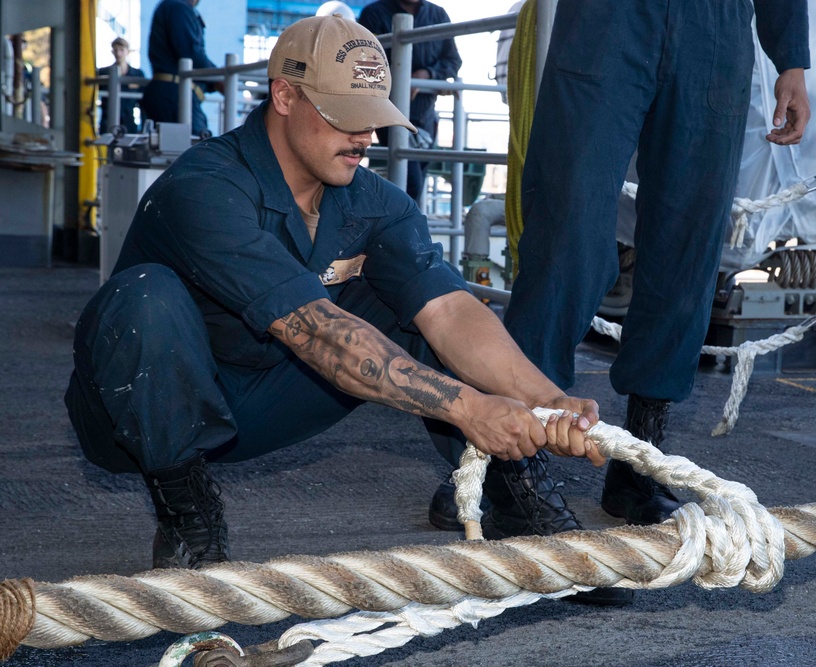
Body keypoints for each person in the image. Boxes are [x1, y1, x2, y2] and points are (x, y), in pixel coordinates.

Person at [64, 17, 606, 597]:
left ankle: (514, 500)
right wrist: (471, 408)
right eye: (345, 116)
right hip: (148, 417)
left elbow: (449, 309)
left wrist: (546, 403)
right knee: (146, 297)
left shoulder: (372, 202)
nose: (365, 137)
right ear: (285, 95)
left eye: (373, 118)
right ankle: (186, 517)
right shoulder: (203, 187)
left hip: (273, 395)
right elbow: (314, 332)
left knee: (413, 296)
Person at [501, 0, 812, 568]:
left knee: (687, 247)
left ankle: (639, 461)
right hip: (609, 20)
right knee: (564, 235)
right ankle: (510, 458)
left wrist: (790, 58)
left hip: (714, 30)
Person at [358, 0, 462, 203]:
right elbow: (362, 63)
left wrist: (427, 74)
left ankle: (397, 230)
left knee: (416, 180)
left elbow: (453, 60)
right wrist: (403, 79)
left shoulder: (438, 14)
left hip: (426, 115)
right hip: (389, 111)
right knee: (410, 182)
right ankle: (401, 232)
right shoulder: (374, 14)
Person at [141, 0, 219, 137]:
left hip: (167, 92)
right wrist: (218, 77)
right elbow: (191, 53)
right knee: (198, 149)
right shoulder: (178, 8)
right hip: (175, 94)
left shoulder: (171, 6)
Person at [97, 37, 145, 135]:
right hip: (107, 120)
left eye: (121, 50)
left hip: (129, 121)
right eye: (115, 50)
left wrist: (143, 126)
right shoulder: (103, 73)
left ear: (128, 51)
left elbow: (143, 102)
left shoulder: (137, 74)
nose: (118, 54)